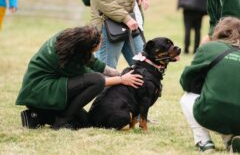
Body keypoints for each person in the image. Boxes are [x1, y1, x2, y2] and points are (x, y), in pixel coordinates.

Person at [16, 26, 144, 130]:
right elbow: (96, 80)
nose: (101, 43)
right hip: (40, 90)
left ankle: (35, 116)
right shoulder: (65, 60)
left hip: (50, 86)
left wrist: (117, 73)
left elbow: (92, 61)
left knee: (85, 122)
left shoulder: (71, 40)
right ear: (85, 47)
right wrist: (121, 79)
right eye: (98, 45)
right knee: (97, 81)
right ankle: (61, 121)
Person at [180, 17, 240, 153]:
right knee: (225, 107)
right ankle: (230, 139)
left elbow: (186, 80)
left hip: (213, 112)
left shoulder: (209, 48)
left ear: (219, 31)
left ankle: (204, 142)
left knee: (186, 99)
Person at [90, 0, 149, 69]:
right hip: (108, 25)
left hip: (131, 20)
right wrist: (125, 18)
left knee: (145, 68)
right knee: (107, 72)